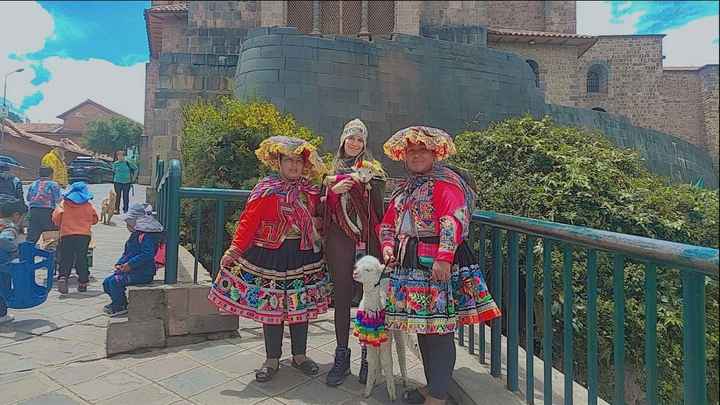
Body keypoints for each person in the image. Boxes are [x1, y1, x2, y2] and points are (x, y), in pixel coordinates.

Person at [380, 126, 502, 405]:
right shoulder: (406, 188)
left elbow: (454, 220)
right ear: (404, 156)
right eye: (412, 151)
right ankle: (434, 388)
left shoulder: (445, 183)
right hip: (411, 263)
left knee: (440, 330)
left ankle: (437, 396)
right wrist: (388, 246)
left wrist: (444, 257)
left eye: (422, 150)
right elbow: (388, 222)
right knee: (424, 327)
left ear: (435, 153)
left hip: (438, 263)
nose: (417, 155)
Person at [208, 136, 330, 383]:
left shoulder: (310, 191)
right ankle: (272, 358)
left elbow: (322, 217)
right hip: (272, 253)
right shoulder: (266, 190)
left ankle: (300, 356)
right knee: (271, 307)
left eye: (298, 161)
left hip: (303, 254)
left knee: (300, 305)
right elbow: (248, 222)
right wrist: (235, 250)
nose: (294, 166)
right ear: (279, 163)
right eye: (289, 161)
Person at [323, 118, 386, 387]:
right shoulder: (329, 171)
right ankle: (341, 355)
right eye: (351, 138)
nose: (355, 142)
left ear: (365, 143)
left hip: (367, 240)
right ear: (342, 141)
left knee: (369, 298)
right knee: (342, 295)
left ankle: (366, 356)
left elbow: (379, 205)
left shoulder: (373, 168)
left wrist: (368, 185)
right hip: (339, 240)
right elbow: (319, 208)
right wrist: (333, 192)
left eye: (360, 139)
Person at [102, 203, 164, 317]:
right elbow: (127, 252)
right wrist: (120, 263)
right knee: (107, 282)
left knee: (115, 282)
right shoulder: (135, 235)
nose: (127, 224)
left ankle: (120, 306)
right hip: (132, 269)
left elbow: (147, 254)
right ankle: (119, 302)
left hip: (143, 272)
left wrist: (130, 264)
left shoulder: (147, 236)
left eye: (129, 221)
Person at [52, 182, 98, 294]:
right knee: (81, 258)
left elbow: (56, 218)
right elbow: (95, 219)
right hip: (83, 236)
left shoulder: (64, 204)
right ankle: (83, 282)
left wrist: (62, 224)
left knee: (66, 257)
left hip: (67, 235)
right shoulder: (88, 206)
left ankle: (63, 277)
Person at [0, 195, 27, 324]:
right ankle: (2, 315)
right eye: (23, 217)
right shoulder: (10, 228)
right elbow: (4, 240)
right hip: (2, 264)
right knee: (3, 287)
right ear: (16, 215)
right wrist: (14, 250)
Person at [25, 166, 61, 243]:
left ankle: (27, 252)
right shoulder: (53, 184)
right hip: (47, 211)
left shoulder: (33, 184)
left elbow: (28, 198)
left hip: (33, 211)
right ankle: (49, 252)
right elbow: (58, 200)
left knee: (32, 236)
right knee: (51, 236)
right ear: (51, 175)